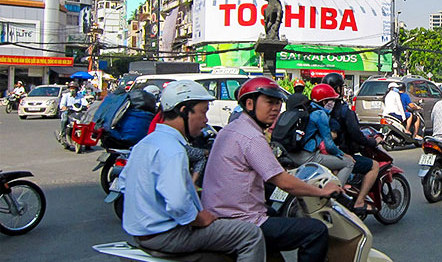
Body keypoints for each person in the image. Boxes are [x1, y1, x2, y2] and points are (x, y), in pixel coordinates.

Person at [118, 80, 266, 261]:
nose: (205, 120)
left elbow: (124, 184)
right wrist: (199, 219)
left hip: (142, 232)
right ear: (184, 111)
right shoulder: (173, 150)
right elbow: (178, 204)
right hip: (167, 234)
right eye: (203, 112)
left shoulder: (146, 143)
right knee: (250, 234)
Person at [202, 77, 341, 262]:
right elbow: (283, 182)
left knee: (275, 214)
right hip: (242, 220)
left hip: (221, 213)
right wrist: (321, 191)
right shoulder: (251, 137)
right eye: (269, 102)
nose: (275, 108)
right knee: (316, 231)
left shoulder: (231, 129)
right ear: (250, 103)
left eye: (277, 103)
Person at [320, 73, 381, 214]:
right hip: (339, 153)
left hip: (320, 154)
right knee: (374, 166)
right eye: (341, 87)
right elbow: (356, 135)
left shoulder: (318, 108)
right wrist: (372, 141)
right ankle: (359, 202)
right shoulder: (342, 110)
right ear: (338, 89)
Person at [298, 84, 354, 184]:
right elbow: (329, 145)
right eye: (332, 100)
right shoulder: (320, 114)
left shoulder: (308, 109)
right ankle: (335, 193)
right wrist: (344, 155)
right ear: (324, 102)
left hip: (295, 153)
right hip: (307, 156)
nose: (333, 103)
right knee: (348, 163)